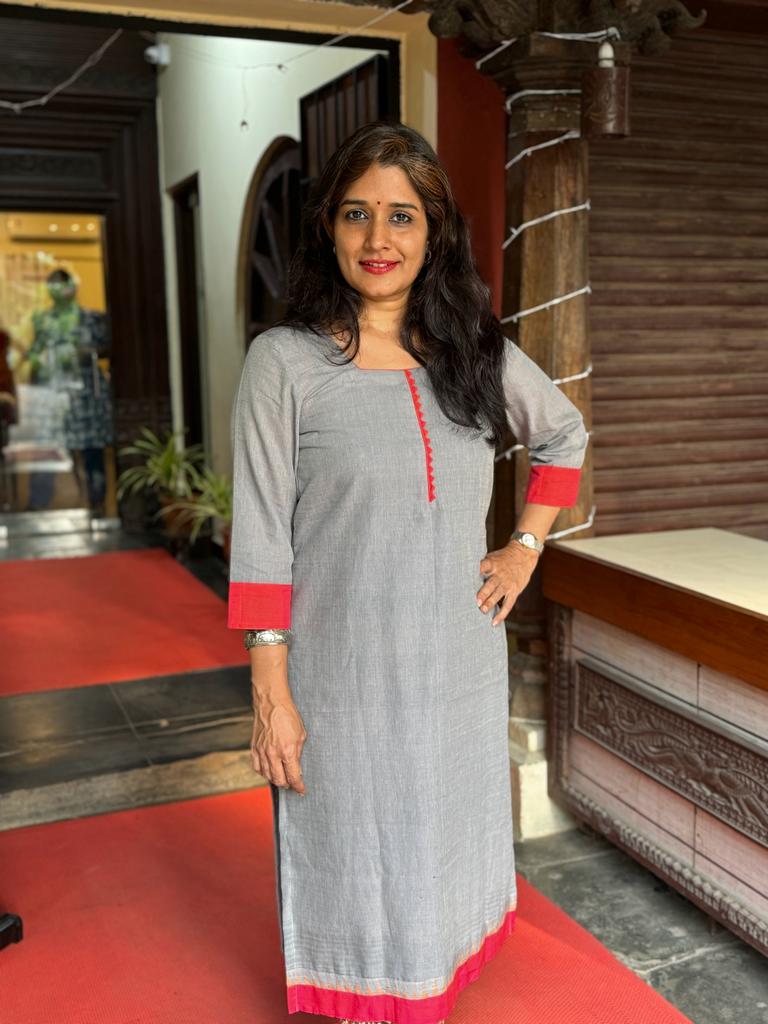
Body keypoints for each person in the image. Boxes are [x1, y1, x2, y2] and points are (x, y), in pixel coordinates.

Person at [228, 121, 589, 1024]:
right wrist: (270, 691)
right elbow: (262, 531)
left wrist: (525, 547)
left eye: (402, 216)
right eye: (356, 214)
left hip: (456, 666)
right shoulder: (286, 363)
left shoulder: (477, 356)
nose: (377, 238)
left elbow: (564, 435)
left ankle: (427, 986)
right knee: (349, 844)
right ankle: (361, 995)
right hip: (342, 672)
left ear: (434, 234)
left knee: (441, 838)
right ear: (328, 227)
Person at [25, 268, 113, 515]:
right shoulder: (43, 320)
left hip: (86, 394)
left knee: (91, 449)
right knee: (47, 448)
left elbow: (110, 346)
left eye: (62, 285)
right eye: (53, 286)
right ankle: (38, 502)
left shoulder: (91, 319)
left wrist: (87, 353)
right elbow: (35, 352)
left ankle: (97, 501)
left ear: (72, 288)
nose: (59, 291)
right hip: (53, 393)